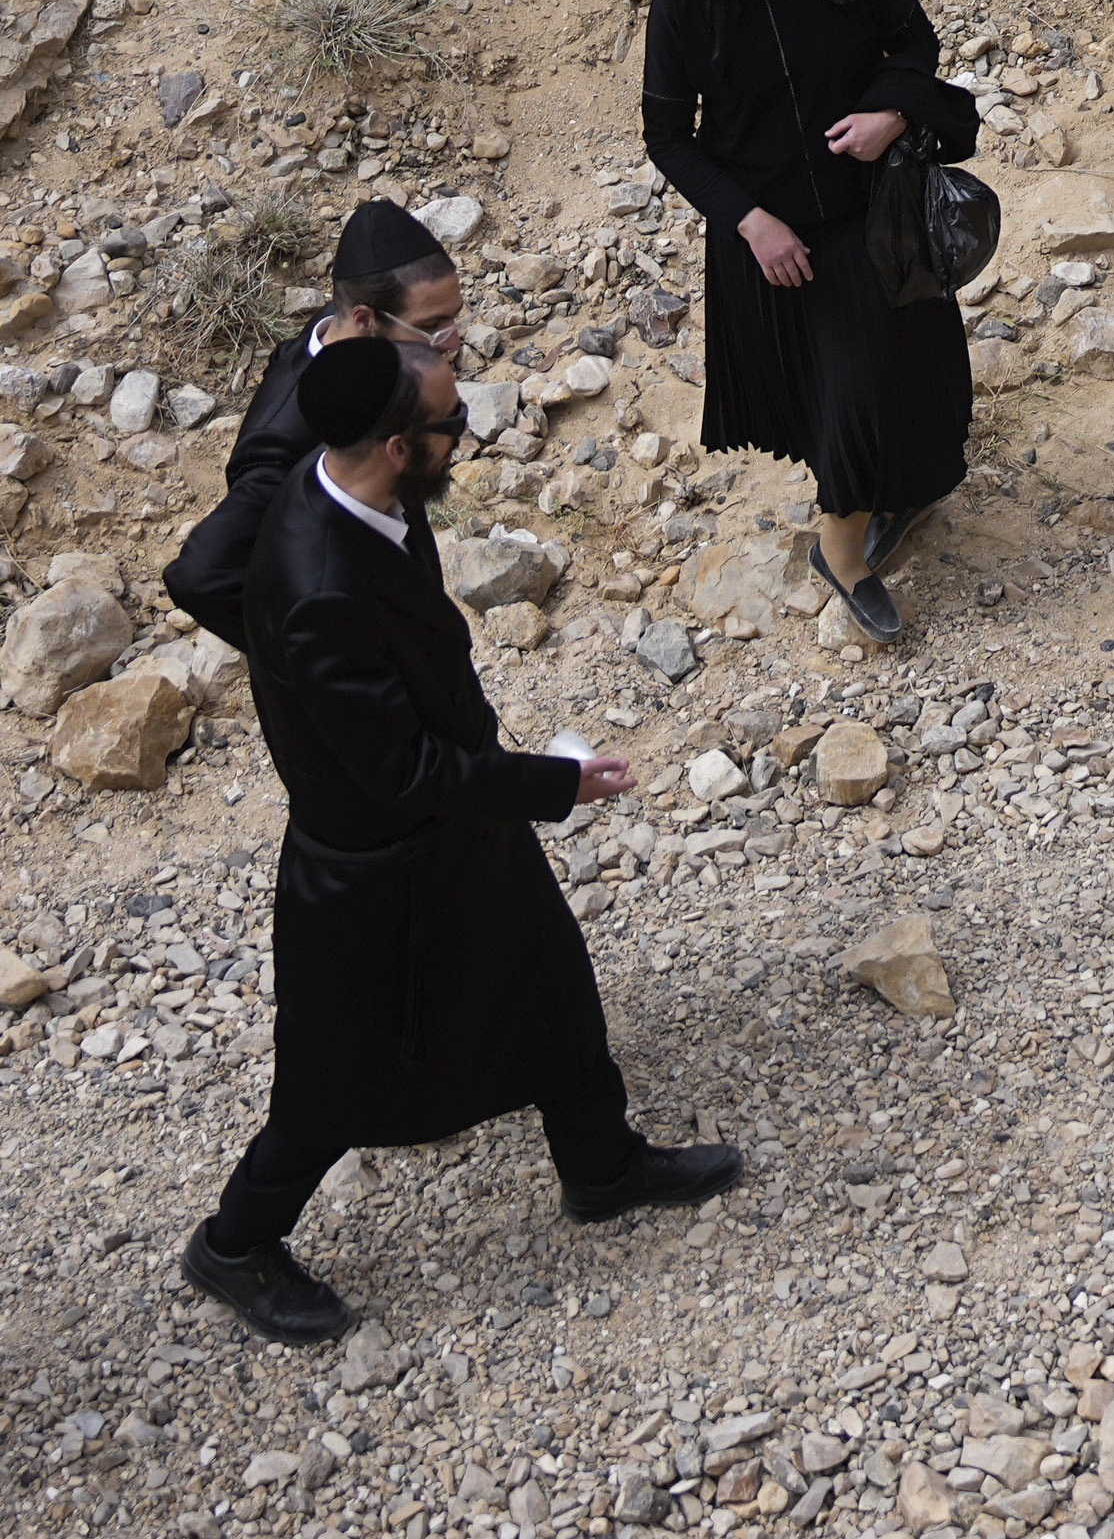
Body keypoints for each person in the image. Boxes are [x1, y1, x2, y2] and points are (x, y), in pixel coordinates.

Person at [170, 338, 738, 1345]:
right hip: (372, 876)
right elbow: (406, 773)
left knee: (554, 985)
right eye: (449, 422)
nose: (465, 435)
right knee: (328, 1087)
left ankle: (601, 1169)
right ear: (396, 446)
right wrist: (559, 783)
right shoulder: (318, 593)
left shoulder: (360, 493)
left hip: (453, 836)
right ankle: (234, 1244)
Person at [643, 0, 977, 651]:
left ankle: (906, 493)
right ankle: (842, 555)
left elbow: (915, 45)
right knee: (849, 393)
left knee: (924, 369)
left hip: (877, 206)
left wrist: (890, 115)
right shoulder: (685, 1)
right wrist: (750, 221)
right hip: (777, 236)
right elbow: (667, 137)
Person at [168, 196, 464, 651]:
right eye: (433, 326)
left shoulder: (341, 336)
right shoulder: (282, 442)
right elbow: (200, 576)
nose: (452, 341)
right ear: (365, 320)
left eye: (454, 319)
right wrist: (310, 659)